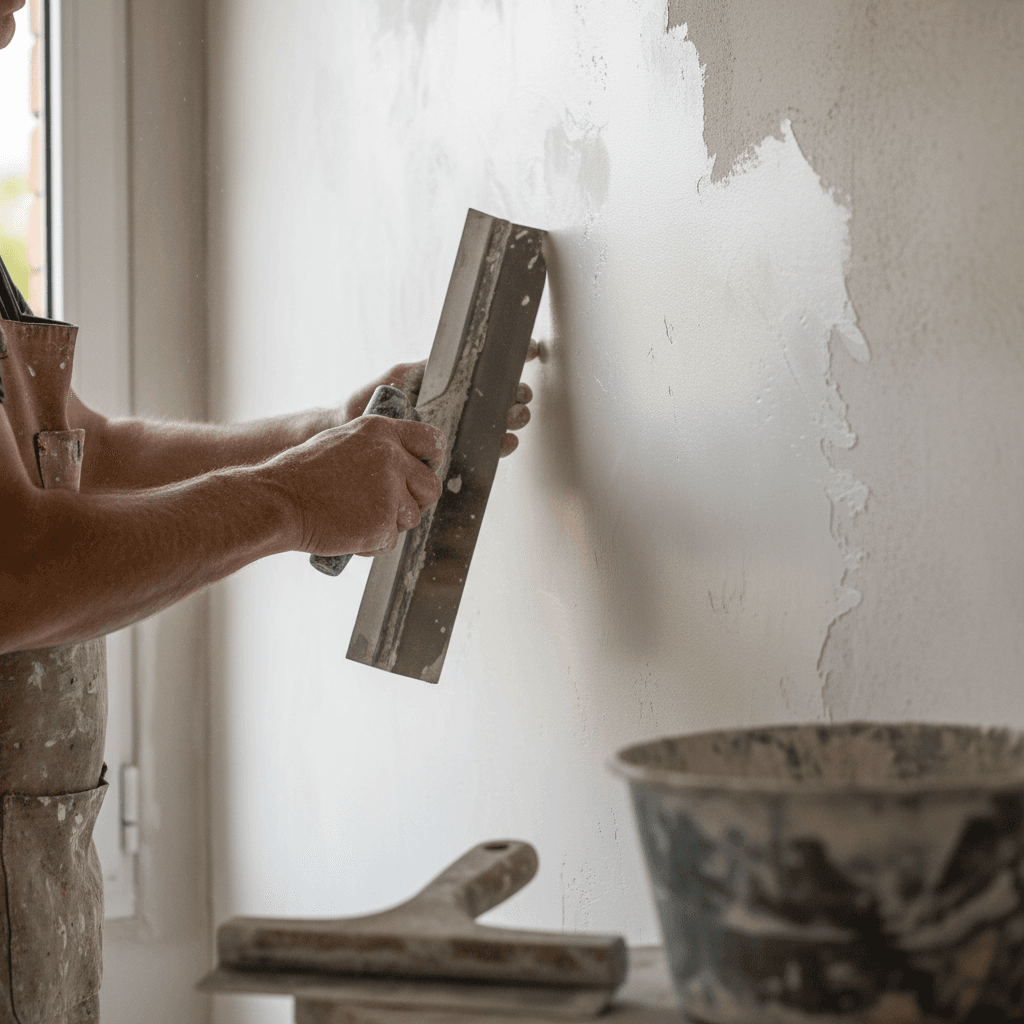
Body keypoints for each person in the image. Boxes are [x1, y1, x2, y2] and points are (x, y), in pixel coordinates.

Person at [0, 4, 534, 1018]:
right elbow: (11, 566)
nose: (14, 21)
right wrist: (290, 500)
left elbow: (85, 454)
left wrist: (324, 432)